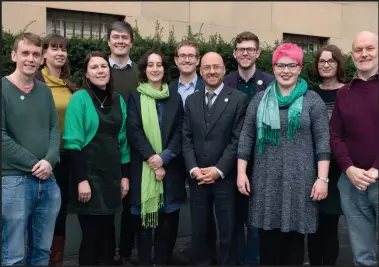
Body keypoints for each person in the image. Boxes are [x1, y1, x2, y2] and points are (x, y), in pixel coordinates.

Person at [237, 43, 330, 266]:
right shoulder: (259, 100)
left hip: (300, 181)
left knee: (294, 245)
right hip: (266, 179)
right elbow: (246, 137)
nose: (286, 70)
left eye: (291, 65)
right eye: (281, 65)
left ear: (299, 68)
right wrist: (241, 172)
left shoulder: (312, 100)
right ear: (274, 67)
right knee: (268, 242)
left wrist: (322, 178)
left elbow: (323, 142)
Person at [62, 51, 130, 265]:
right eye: (94, 67)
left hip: (111, 177)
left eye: (103, 66)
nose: (100, 71)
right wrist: (82, 181)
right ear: (87, 74)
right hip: (88, 177)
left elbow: (124, 143)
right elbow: (72, 142)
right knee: (91, 236)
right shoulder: (79, 98)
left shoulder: (118, 100)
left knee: (109, 235)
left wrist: (125, 177)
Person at [182, 51, 248, 265]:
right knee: (200, 230)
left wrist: (218, 170)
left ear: (223, 70)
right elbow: (187, 138)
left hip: (225, 178)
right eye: (207, 68)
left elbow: (237, 139)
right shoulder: (191, 101)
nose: (212, 71)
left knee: (228, 230)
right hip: (198, 178)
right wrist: (193, 169)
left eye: (216, 67)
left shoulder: (239, 99)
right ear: (200, 71)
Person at [2, 32, 61, 266]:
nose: (31, 58)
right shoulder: (3, 88)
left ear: (41, 59)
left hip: (47, 181)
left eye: (36, 54)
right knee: (13, 255)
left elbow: (54, 129)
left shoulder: (44, 90)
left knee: (41, 253)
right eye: (25, 53)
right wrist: (36, 164)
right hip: (13, 181)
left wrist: (49, 161)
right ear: (13, 55)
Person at [127, 50, 187, 265]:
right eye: (150, 65)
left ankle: (162, 261)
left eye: (159, 65)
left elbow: (180, 131)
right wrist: (153, 159)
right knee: (144, 226)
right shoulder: (135, 96)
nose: (154, 69)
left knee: (167, 225)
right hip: (144, 170)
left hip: (170, 170)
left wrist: (164, 158)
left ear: (164, 69)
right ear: (144, 69)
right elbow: (133, 131)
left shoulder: (175, 97)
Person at [224, 31, 274, 266]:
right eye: (241, 49)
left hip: (261, 161)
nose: (245, 53)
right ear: (234, 53)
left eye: (250, 49)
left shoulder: (271, 83)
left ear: (257, 53)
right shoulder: (225, 82)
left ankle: (254, 260)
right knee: (232, 218)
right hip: (229, 160)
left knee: (256, 220)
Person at [330, 31, 378, 266]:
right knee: (362, 257)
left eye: (369, 48)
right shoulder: (344, 93)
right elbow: (335, 135)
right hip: (352, 184)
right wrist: (348, 169)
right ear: (352, 54)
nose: (364, 54)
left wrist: (376, 170)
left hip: (376, 177)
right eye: (358, 50)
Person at [169, 40, 215, 265]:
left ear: (198, 60)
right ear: (176, 60)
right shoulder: (167, 89)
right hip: (174, 158)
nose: (186, 59)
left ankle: (206, 254)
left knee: (204, 212)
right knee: (174, 205)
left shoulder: (208, 85)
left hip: (203, 160)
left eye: (191, 55)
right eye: (182, 55)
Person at [34, 33, 77, 266]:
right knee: (39, 214)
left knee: (60, 214)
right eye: (54, 48)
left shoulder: (71, 86)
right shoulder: (35, 82)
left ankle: (55, 261)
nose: (60, 53)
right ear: (44, 55)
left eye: (63, 49)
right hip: (41, 159)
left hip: (67, 158)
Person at [307, 44, 345, 266]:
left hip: (338, 168)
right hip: (311, 165)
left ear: (339, 64)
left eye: (331, 60)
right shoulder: (310, 93)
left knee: (330, 224)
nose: (326, 64)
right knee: (312, 225)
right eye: (322, 61)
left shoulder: (347, 92)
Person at [107, 20, 139, 265]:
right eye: (115, 37)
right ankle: (105, 254)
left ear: (131, 42)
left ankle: (126, 254)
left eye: (124, 37)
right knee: (106, 202)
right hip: (105, 145)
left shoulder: (139, 71)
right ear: (109, 41)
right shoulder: (98, 68)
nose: (120, 41)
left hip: (134, 145)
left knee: (130, 204)